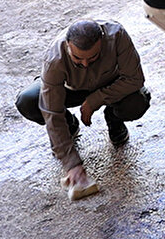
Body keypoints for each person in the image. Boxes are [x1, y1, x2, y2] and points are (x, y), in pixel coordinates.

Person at [16, 19, 150, 201]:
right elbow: (51, 111)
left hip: (112, 86)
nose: (85, 64)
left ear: (101, 42)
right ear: (68, 46)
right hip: (72, 90)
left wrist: (95, 100)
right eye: (78, 59)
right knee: (28, 101)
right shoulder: (55, 57)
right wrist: (71, 163)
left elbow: (135, 79)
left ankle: (114, 117)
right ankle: (70, 125)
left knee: (137, 102)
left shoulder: (117, 35)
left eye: (92, 57)